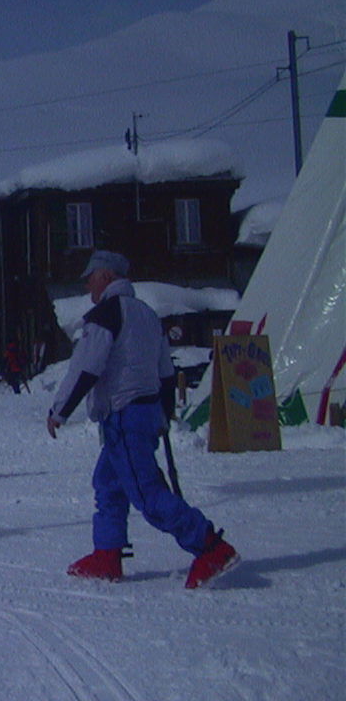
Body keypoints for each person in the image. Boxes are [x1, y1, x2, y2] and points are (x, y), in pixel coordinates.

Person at [47, 250, 239, 589]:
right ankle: (107, 553)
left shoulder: (104, 315)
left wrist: (59, 410)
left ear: (106, 277)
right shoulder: (148, 315)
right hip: (145, 412)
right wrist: (164, 413)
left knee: (147, 494)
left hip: (124, 415)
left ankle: (210, 546)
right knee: (109, 483)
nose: (87, 284)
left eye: (90, 277)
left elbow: (86, 367)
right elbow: (165, 371)